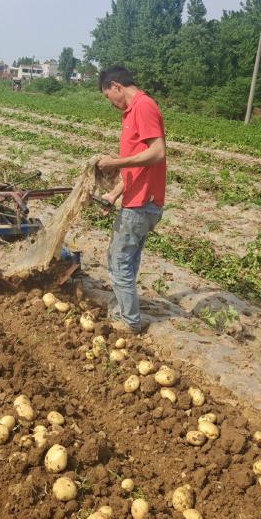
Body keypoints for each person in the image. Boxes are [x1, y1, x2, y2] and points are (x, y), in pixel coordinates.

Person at [96, 66, 166, 334]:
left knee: (118, 261)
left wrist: (116, 161)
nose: (110, 103)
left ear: (116, 86)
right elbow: (139, 167)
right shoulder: (132, 111)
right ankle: (123, 312)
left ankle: (129, 322)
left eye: (107, 96)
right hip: (139, 200)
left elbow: (157, 152)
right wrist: (114, 194)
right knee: (127, 260)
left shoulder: (143, 106)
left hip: (142, 204)